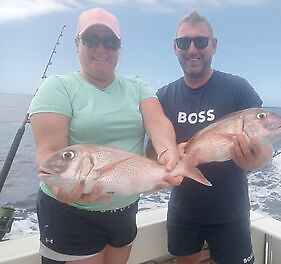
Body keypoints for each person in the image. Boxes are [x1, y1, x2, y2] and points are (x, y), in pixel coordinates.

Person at [29, 7, 180, 264]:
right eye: (91, 40)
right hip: (71, 212)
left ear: (119, 47)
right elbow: (48, 154)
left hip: (124, 208)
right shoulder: (57, 87)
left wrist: (167, 152)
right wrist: (60, 188)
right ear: (77, 43)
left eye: (110, 42)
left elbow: (158, 122)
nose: (101, 49)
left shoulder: (137, 86)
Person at [150, 11, 273, 264]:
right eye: (184, 42)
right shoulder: (164, 96)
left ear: (213, 45)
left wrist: (254, 159)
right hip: (182, 213)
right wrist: (170, 155)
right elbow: (151, 154)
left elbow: (266, 151)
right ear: (175, 48)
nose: (192, 49)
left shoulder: (237, 88)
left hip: (231, 213)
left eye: (201, 41)